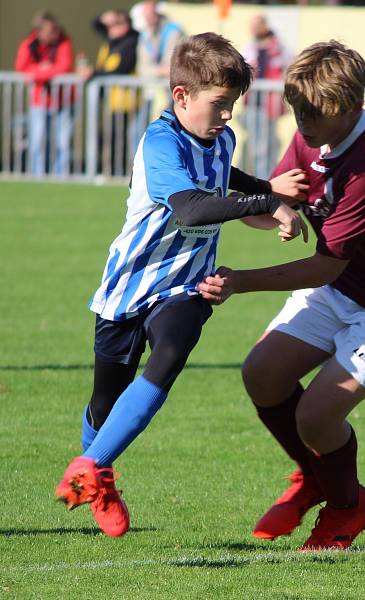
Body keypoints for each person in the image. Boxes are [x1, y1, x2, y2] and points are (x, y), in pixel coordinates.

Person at [197, 40, 365, 551]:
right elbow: (273, 198)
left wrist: (242, 281)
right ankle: (317, 477)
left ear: (354, 107)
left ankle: (347, 506)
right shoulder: (310, 136)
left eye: (316, 113)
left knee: (316, 415)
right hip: (347, 284)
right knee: (262, 374)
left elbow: (323, 264)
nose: (305, 123)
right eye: (298, 110)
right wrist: (278, 209)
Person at [54, 33, 309, 538]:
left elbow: (221, 178)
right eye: (219, 105)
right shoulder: (159, 141)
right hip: (130, 285)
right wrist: (265, 202)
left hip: (188, 284)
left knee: (171, 350)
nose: (227, 117)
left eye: (232, 105)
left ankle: (90, 468)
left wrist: (267, 191)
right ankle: (97, 474)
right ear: (181, 96)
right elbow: (193, 206)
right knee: (105, 404)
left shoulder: (223, 139)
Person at [79, 10, 140, 176]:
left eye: (115, 24)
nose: (110, 29)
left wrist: (94, 73)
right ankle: (109, 171)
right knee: (108, 138)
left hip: (126, 102)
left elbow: (122, 70)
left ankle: (118, 173)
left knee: (118, 140)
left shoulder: (131, 42)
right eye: (110, 25)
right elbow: (95, 25)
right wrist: (103, 17)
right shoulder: (112, 40)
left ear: (126, 25)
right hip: (111, 102)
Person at [14, 12, 74, 176]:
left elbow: (64, 66)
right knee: (37, 141)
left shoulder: (64, 42)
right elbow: (21, 68)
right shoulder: (29, 44)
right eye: (50, 32)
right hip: (39, 101)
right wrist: (40, 69)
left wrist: (39, 72)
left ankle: (62, 176)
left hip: (64, 101)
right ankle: (37, 175)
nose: (54, 34)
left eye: (56, 30)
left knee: (63, 142)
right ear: (39, 32)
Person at [242, 14, 291, 177]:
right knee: (257, 148)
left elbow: (289, 66)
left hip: (270, 105)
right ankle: (261, 182)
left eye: (257, 25)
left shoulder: (279, 48)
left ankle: (266, 181)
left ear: (265, 26)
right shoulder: (250, 47)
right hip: (253, 104)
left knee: (267, 147)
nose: (253, 28)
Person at [134, 0, 184, 135]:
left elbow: (171, 66)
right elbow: (142, 68)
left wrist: (157, 70)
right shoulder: (145, 34)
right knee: (139, 132)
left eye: (150, 13)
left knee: (167, 132)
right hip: (150, 93)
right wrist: (158, 70)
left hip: (170, 94)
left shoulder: (173, 31)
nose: (147, 17)